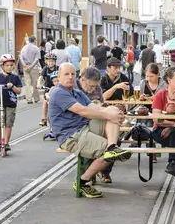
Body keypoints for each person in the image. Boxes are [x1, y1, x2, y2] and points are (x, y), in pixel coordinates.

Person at [48, 63, 132, 198]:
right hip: (71, 136)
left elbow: (95, 107)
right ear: (59, 77)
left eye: (72, 74)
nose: (70, 77)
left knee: (112, 110)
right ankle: (82, 182)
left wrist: (113, 112)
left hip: (85, 128)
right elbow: (83, 111)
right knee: (108, 150)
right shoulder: (58, 92)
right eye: (66, 74)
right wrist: (108, 114)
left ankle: (112, 147)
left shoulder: (77, 93)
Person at [0, 54, 23, 155]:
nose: (9, 67)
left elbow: (19, 91)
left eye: (11, 65)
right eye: (7, 65)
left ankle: (6, 143)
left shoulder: (15, 77)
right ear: (2, 66)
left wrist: (12, 86)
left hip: (11, 104)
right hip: (0, 103)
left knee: (8, 123)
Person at [20, 36, 42, 104]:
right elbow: (36, 59)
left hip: (26, 67)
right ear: (35, 40)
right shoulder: (36, 48)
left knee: (27, 83)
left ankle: (28, 99)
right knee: (35, 83)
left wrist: (25, 65)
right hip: (34, 68)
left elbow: (21, 57)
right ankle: (36, 98)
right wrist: (31, 66)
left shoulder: (24, 47)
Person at [39, 52, 58, 126]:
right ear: (46, 61)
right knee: (45, 101)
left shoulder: (58, 68)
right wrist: (38, 84)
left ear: (55, 62)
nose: (51, 62)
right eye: (49, 61)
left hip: (57, 88)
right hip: (48, 88)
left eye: (53, 61)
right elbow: (40, 77)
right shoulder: (45, 69)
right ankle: (44, 119)